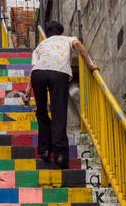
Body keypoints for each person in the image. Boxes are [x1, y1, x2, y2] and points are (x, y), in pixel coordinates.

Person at [26, 20, 98, 168]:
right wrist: (90, 65)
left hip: (38, 75)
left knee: (41, 112)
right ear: (61, 32)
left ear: (46, 34)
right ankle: (60, 156)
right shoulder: (68, 39)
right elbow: (79, 47)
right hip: (59, 73)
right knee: (58, 113)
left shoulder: (41, 45)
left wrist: (28, 90)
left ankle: (45, 150)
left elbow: (33, 68)